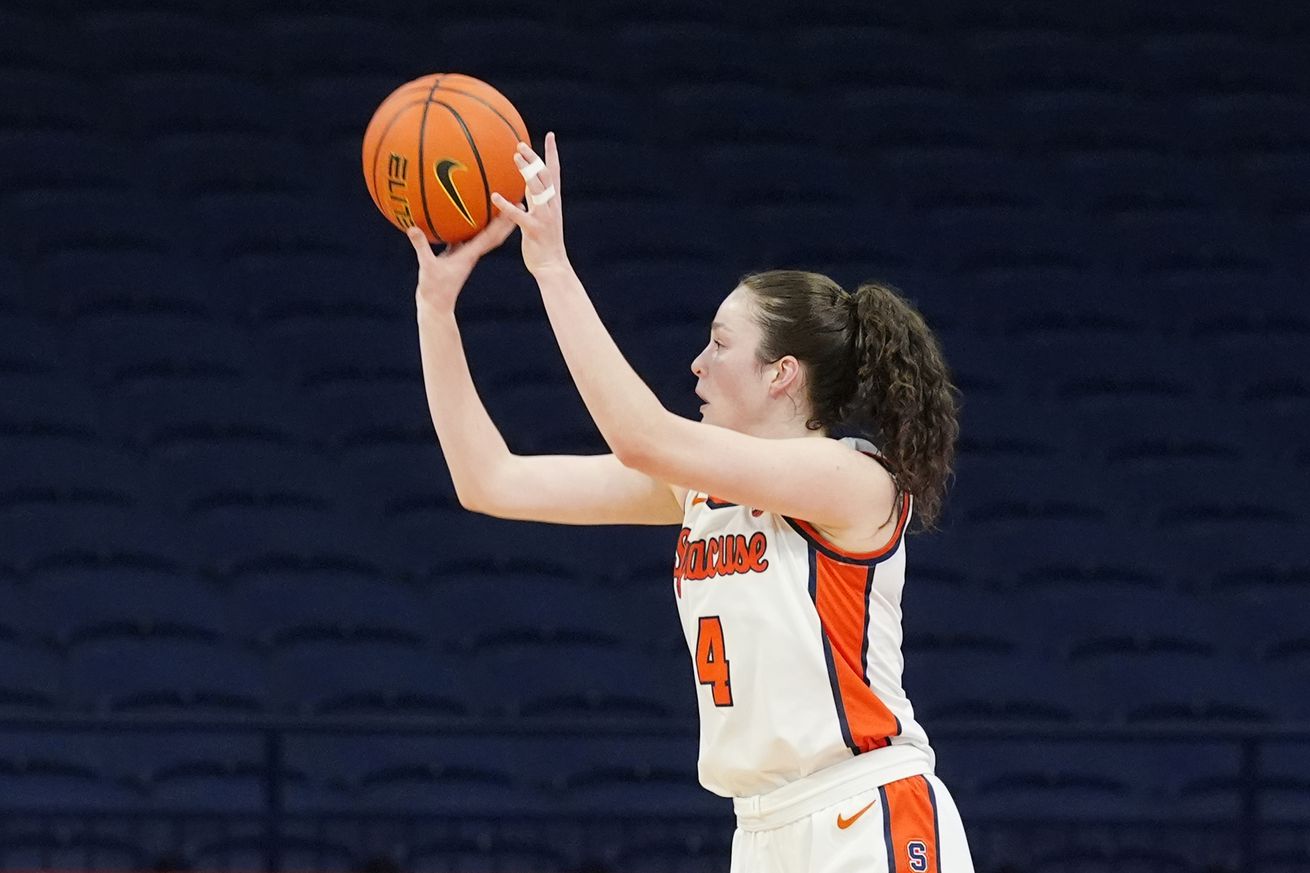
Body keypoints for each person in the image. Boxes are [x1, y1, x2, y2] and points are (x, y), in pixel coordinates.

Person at [407, 132, 974, 873]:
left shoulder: (850, 478)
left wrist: (551, 266)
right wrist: (435, 310)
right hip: (761, 832)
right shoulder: (701, 487)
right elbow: (489, 481)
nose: (697, 363)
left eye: (719, 344)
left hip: (865, 815)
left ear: (782, 374)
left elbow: (641, 435)